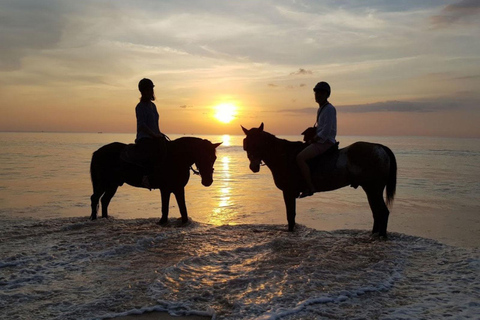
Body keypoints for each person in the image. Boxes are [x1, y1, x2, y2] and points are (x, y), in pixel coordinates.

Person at [296, 81, 337, 198]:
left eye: (321, 93)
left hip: (325, 142)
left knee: (300, 158)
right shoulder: (321, 109)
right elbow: (321, 127)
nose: (318, 95)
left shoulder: (329, 109)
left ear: (327, 95)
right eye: (316, 92)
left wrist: (314, 139)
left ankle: (310, 187)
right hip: (321, 141)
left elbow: (326, 130)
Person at [134, 78, 166, 189]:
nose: (150, 92)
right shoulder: (140, 107)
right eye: (147, 90)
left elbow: (155, 124)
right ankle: (145, 177)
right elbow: (142, 125)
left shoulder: (153, 106)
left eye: (151, 89)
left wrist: (159, 134)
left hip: (155, 136)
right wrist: (153, 135)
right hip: (145, 137)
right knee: (150, 152)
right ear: (142, 91)